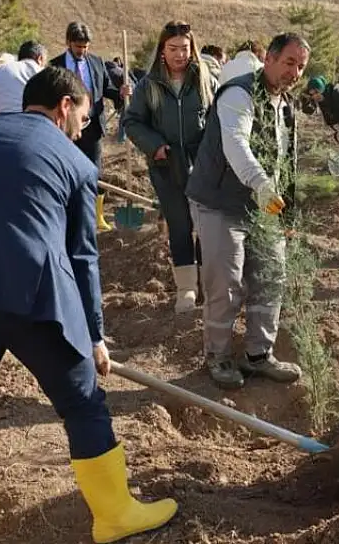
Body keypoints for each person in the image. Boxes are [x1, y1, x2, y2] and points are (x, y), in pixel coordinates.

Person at [0, 67, 177, 544]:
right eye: (84, 117)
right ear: (64, 106)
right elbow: (82, 257)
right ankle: (115, 515)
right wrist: (94, 336)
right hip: (38, 301)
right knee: (83, 405)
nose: (83, 129)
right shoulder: (78, 164)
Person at [184, 33, 309, 390]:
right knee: (225, 282)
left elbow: (285, 160)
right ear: (268, 58)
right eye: (289, 63)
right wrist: (262, 184)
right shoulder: (239, 93)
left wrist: (287, 212)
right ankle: (218, 356)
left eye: (301, 66)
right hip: (219, 201)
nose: (295, 73)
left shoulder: (285, 104)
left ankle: (258, 354)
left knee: (271, 276)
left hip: (263, 207)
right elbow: (236, 144)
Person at [121, 21, 217, 314]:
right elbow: (132, 122)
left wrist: (209, 153)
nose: (179, 55)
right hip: (166, 165)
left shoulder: (205, 81)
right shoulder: (149, 86)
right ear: (162, 50)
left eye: (185, 48)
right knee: (179, 224)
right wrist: (156, 146)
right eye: (173, 48)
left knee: (205, 225)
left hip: (201, 165)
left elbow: (216, 121)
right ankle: (186, 288)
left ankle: (208, 285)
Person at [49, 21, 130, 233]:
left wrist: (121, 93)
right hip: (66, 129)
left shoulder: (96, 62)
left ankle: (96, 216)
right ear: (68, 42)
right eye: (78, 47)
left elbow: (107, 89)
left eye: (85, 47)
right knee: (67, 171)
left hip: (92, 127)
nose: (82, 51)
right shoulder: (55, 66)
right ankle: (69, 217)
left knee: (95, 171)